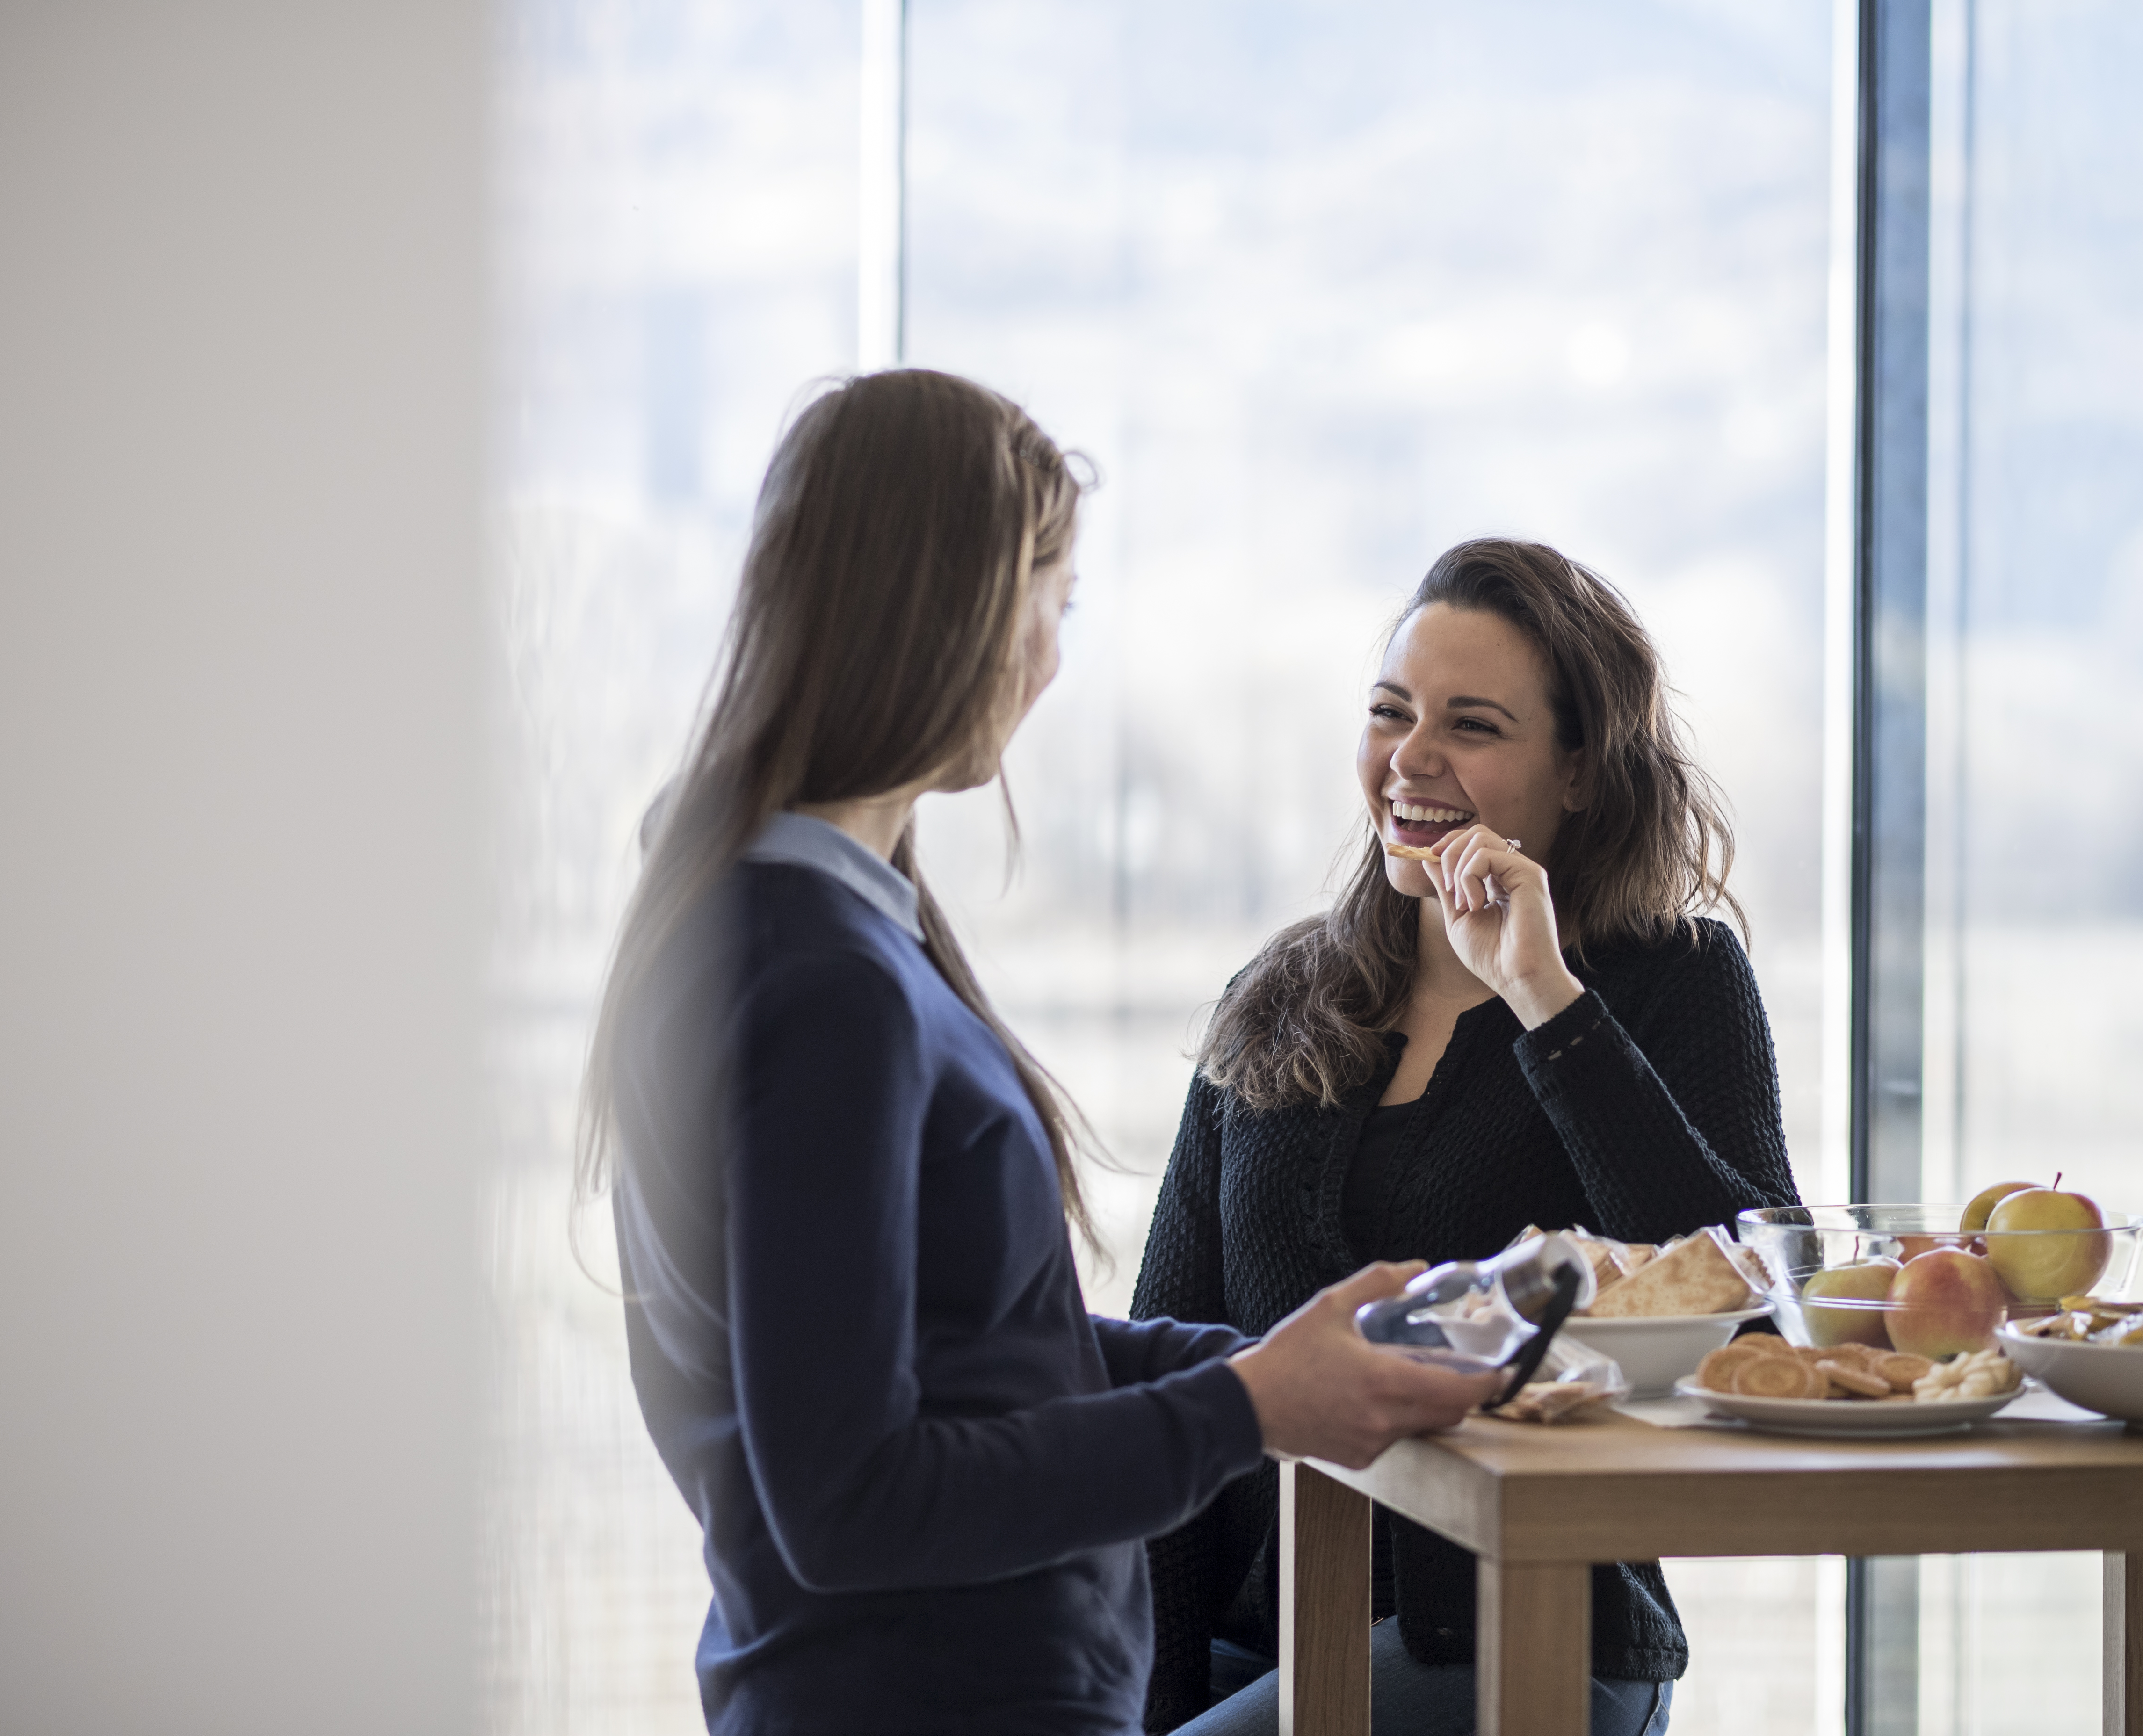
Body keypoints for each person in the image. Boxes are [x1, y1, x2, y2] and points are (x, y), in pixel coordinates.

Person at [578, 369, 1501, 1736]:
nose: (1053, 660)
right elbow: (853, 1501)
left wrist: (1270, 1364)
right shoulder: (823, 980)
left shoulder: (768, 924)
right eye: (1052, 605)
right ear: (950, 612)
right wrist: (1244, 1407)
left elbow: (972, 1356)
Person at [1134, 539, 1803, 1736]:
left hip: (1517, 1633)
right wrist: (1149, 1695)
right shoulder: (1281, 997)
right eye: (1391, 712)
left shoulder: (1672, 982)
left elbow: (1758, 1302)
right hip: (1256, 1645)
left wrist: (1549, 998)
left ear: (1583, 770)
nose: (1411, 760)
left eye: (1474, 725)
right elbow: (1180, 1366)